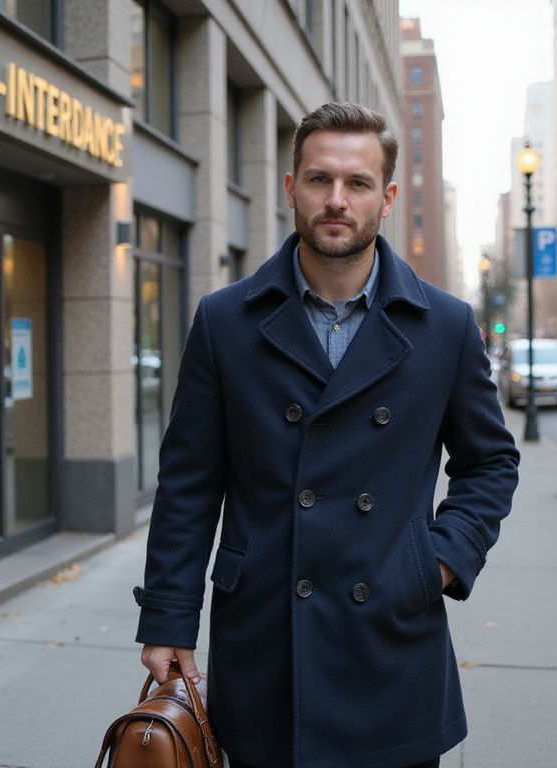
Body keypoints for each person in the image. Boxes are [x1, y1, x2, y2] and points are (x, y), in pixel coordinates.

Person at [133, 102, 520, 768]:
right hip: (266, 642)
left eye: (357, 183)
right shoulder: (226, 321)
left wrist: (437, 561)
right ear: (291, 188)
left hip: (392, 640)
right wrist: (170, 616)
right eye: (319, 180)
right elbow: (190, 482)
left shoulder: (446, 327)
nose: (336, 200)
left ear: (387, 197)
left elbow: (490, 462)